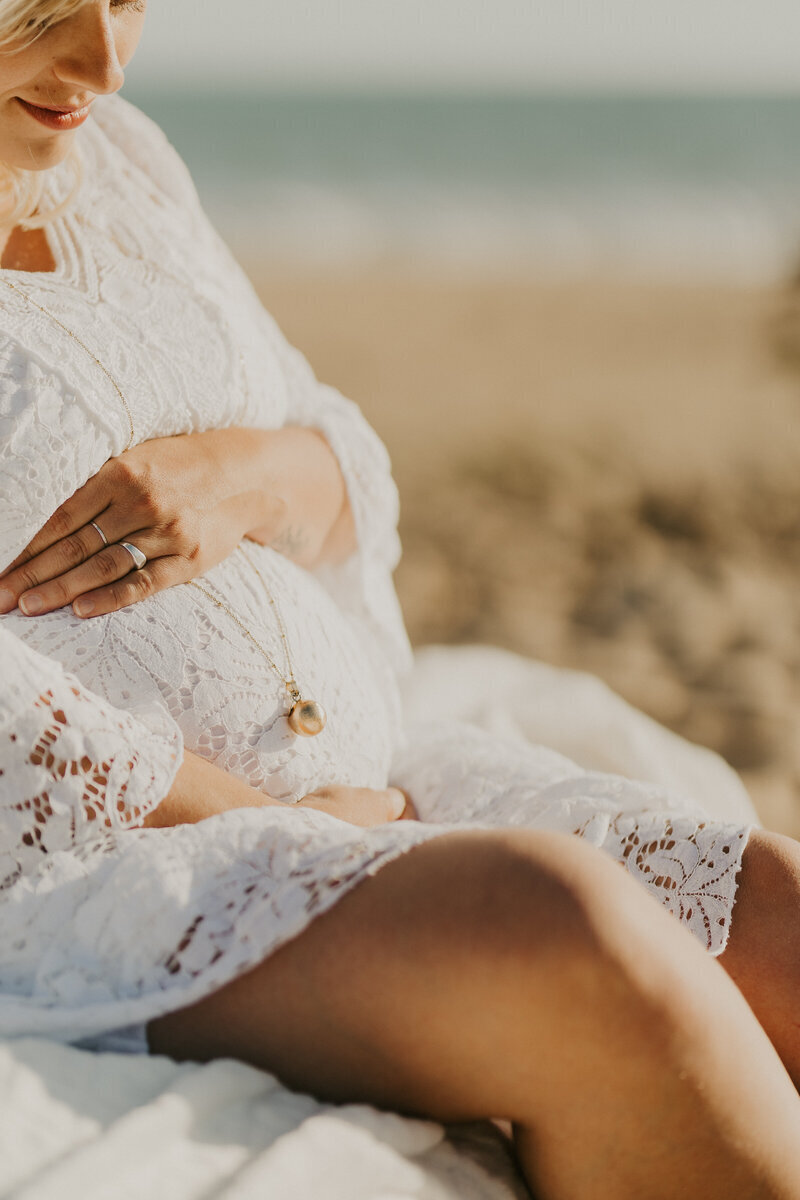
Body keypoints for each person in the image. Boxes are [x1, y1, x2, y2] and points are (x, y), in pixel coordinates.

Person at [0, 3, 800, 1196]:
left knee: (781, 916)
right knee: (565, 936)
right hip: (87, 856)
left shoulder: (118, 163)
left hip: (370, 769)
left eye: (126, 2)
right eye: (46, 15)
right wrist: (272, 819)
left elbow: (326, 438)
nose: (104, 63)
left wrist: (247, 473)